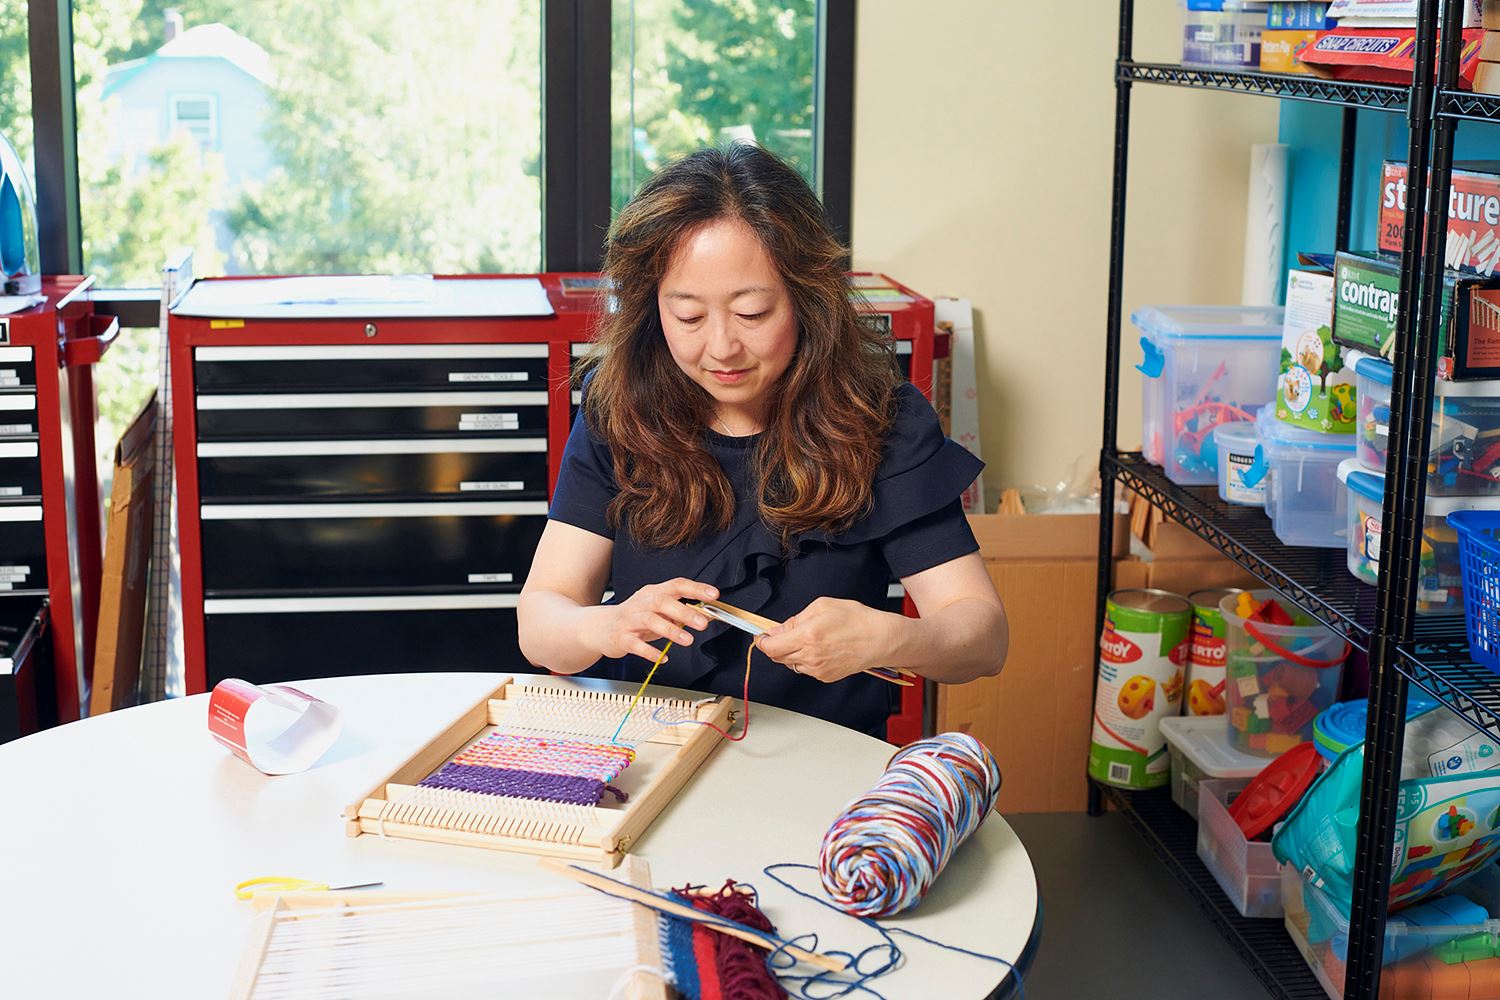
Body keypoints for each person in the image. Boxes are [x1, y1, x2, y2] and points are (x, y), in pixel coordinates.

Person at [518, 144, 1007, 739]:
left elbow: (984, 639)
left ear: (807, 297)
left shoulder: (882, 424)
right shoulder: (619, 412)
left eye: (752, 313)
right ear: (653, 309)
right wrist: (604, 627)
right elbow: (540, 620)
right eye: (689, 316)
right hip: (649, 752)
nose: (721, 347)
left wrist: (888, 636)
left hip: (821, 765)